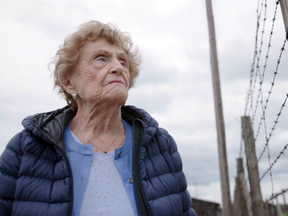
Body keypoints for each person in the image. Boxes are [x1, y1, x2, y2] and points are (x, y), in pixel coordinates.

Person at [0, 21, 196, 216]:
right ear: (69, 82)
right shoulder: (26, 148)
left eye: (123, 61)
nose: (118, 68)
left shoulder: (160, 146)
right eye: (101, 59)